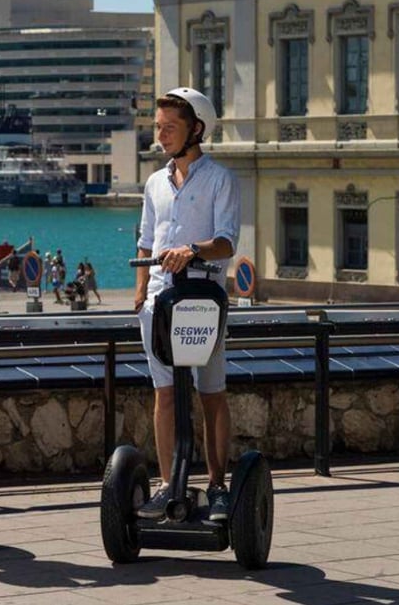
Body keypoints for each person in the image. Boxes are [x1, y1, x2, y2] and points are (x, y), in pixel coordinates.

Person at [133, 87, 239, 524]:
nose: (161, 136)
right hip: (159, 300)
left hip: (201, 298)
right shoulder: (155, 182)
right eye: (158, 127)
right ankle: (166, 484)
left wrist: (192, 251)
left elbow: (226, 241)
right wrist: (140, 292)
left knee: (210, 392)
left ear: (196, 129)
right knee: (163, 395)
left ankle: (216, 486)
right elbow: (145, 238)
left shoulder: (219, 179)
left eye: (169, 128)